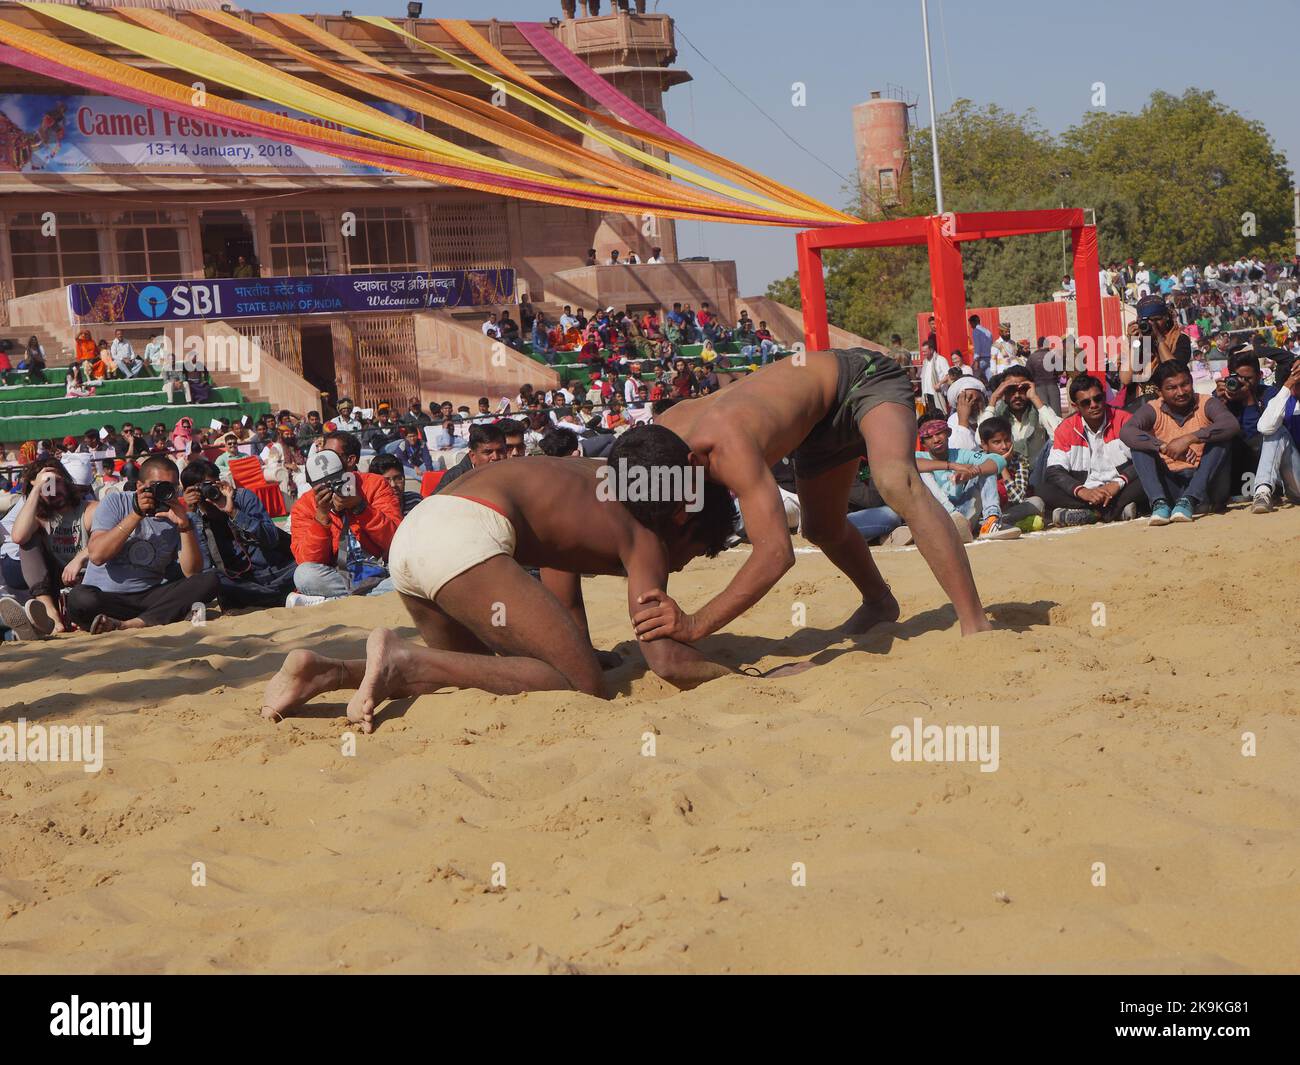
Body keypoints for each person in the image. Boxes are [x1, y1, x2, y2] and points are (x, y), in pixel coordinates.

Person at [261, 427, 796, 731]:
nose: (680, 568)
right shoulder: (649, 535)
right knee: (582, 684)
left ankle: (328, 673)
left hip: (420, 536)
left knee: (477, 674)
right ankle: (403, 656)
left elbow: (562, 577)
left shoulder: (597, 480)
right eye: (694, 555)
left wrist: (576, 644)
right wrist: (745, 678)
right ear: (684, 519)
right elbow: (667, 661)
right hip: (463, 539)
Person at [651, 348, 999, 639]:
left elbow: (775, 554)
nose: (681, 565)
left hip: (861, 378)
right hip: (814, 427)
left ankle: (974, 621)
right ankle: (879, 602)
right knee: (821, 528)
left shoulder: (724, 447)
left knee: (896, 480)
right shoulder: (663, 437)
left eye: (686, 555)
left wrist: (695, 624)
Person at [67, 454, 218, 633]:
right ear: (139, 486)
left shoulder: (178, 516)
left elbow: (192, 572)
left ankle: (131, 624)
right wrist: (136, 514)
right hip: (106, 597)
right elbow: (98, 556)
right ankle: (164, 615)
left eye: (170, 488)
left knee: (209, 580)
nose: (164, 493)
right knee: (80, 598)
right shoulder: (116, 502)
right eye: (157, 487)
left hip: (148, 595)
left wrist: (184, 527)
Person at [1119, 360, 1239, 524]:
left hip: (1208, 487)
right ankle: (1159, 503)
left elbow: (1231, 424)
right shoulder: (1152, 408)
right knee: (1139, 447)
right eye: (1171, 388)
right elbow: (1127, 432)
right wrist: (1163, 446)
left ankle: (1190, 499)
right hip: (1173, 486)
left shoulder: (1206, 403)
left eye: (1185, 384)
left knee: (1221, 439)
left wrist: (1189, 438)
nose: (1181, 392)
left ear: (1191, 382)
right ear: (1159, 391)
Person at [288, 431, 400, 604]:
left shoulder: (374, 484)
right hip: (335, 573)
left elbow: (395, 540)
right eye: (322, 453)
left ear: (350, 461)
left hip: (379, 568)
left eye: (332, 455)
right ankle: (370, 595)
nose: (324, 460)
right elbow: (307, 560)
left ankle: (334, 600)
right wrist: (322, 517)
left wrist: (360, 507)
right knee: (303, 575)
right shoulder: (304, 505)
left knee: (408, 575)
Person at [180, 459, 296, 609]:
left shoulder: (242, 498)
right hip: (240, 581)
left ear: (219, 482)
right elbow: (201, 568)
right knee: (214, 581)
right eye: (201, 489)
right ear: (189, 492)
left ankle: (275, 597)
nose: (208, 492)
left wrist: (233, 512)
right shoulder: (193, 517)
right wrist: (192, 515)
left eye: (210, 485)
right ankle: (279, 597)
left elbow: (271, 538)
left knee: (306, 567)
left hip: (276, 571)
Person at [3, 460, 97, 636]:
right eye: (47, 486)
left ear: (67, 482)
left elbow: (104, 540)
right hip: (54, 582)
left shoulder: (90, 509)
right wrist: (36, 489)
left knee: (84, 600)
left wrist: (80, 558)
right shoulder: (40, 518)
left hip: (87, 581)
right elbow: (18, 536)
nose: (53, 489)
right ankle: (49, 613)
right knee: (27, 542)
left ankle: (32, 628)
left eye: (56, 481)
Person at [1041, 375, 1144, 526]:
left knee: (1148, 476)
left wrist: (1117, 483)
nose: (1094, 405)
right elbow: (1054, 471)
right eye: (1086, 402)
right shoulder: (1066, 428)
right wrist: (1083, 492)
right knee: (1043, 490)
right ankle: (1112, 512)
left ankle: (1093, 514)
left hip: (1120, 488)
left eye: (1098, 398)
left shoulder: (1124, 420)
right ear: (1076, 406)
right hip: (1085, 492)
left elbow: (1143, 459)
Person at [913, 419, 1021, 542]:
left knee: (986, 470)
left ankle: (991, 521)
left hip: (963, 515)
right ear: (923, 443)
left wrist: (973, 472)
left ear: (948, 433)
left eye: (939, 433)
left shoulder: (962, 454)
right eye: (929, 437)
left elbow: (996, 460)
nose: (936, 439)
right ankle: (951, 519)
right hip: (938, 516)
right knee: (922, 471)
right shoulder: (919, 457)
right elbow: (910, 464)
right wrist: (952, 465)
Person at [1249, 356, 1300, 513]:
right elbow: (1265, 428)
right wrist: (1288, 386)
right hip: (1297, 480)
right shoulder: (1287, 401)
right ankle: (1262, 491)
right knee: (1276, 430)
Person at [977, 417, 1045, 532]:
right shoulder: (977, 460)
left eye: (1007, 440)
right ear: (984, 445)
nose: (1004, 446)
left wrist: (1001, 465)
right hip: (983, 512)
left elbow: (1018, 498)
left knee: (1037, 503)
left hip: (1008, 510)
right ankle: (991, 523)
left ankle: (993, 524)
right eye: (996, 442)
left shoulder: (1019, 460)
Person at [968, 315, 994, 380]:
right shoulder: (987, 331)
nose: (971, 326)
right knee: (989, 377)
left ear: (973, 322)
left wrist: (976, 360)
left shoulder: (976, 331)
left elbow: (977, 346)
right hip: (989, 357)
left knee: (973, 376)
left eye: (971, 324)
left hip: (981, 359)